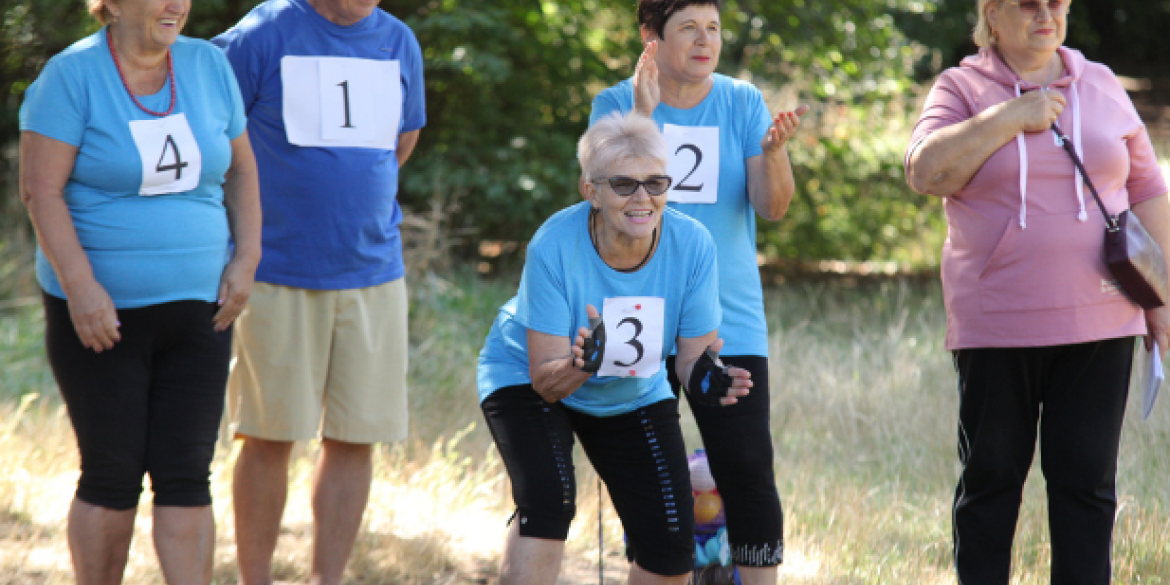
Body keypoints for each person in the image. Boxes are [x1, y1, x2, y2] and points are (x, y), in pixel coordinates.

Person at [904, 0, 1170, 583]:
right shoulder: (960, 86)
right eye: (1029, 2)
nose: (1047, 12)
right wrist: (1010, 117)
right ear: (993, 14)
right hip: (997, 323)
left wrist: (1163, 299)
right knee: (991, 483)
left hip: (1102, 319)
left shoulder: (1099, 84)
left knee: (1086, 487)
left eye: (1057, 1)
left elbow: (1148, 187)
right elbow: (924, 171)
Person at [17, 0, 261, 583]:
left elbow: (244, 169)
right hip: (103, 314)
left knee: (186, 474)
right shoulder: (70, 76)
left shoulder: (208, 66)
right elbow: (40, 192)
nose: (176, 3)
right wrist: (81, 286)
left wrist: (247, 256)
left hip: (204, 311)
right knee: (112, 473)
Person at [477, 112, 753, 585]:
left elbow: (691, 359)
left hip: (632, 388)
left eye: (656, 183)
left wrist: (708, 380)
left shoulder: (693, 244)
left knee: (670, 544)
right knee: (548, 501)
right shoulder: (553, 244)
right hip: (526, 375)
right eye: (624, 184)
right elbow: (545, 378)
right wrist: (585, 364)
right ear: (592, 190)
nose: (643, 197)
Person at [211, 1, 425, 583]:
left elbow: (400, 142)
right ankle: (254, 578)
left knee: (357, 438)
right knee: (267, 435)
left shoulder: (399, 40)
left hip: (374, 272)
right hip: (275, 269)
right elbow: (213, 127)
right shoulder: (265, 31)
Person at [589, 0, 804, 580]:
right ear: (650, 39)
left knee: (748, 467)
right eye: (688, 28)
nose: (705, 40)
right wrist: (642, 114)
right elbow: (597, 205)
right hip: (640, 316)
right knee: (649, 478)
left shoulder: (740, 102)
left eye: (713, 28)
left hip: (728, 321)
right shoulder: (615, 104)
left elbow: (773, 206)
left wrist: (774, 153)